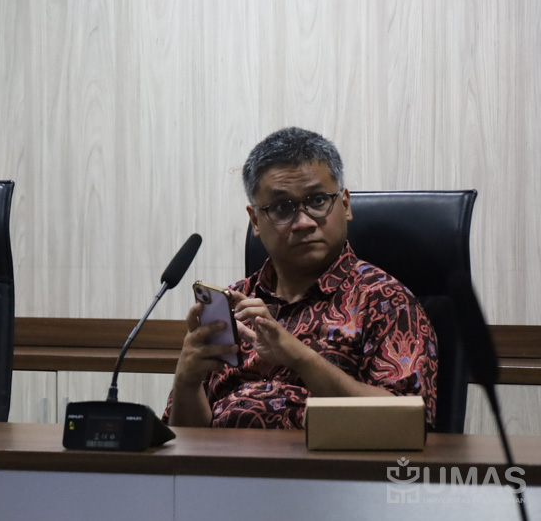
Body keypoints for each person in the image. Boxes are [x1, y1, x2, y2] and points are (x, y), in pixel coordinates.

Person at [165, 127, 438, 429]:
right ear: (255, 221)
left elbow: (408, 421)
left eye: (318, 201)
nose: (304, 222)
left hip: (320, 459)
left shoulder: (386, 301)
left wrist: (298, 356)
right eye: (282, 208)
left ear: (345, 205)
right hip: (216, 459)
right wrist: (187, 382)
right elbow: (184, 440)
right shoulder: (234, 306)